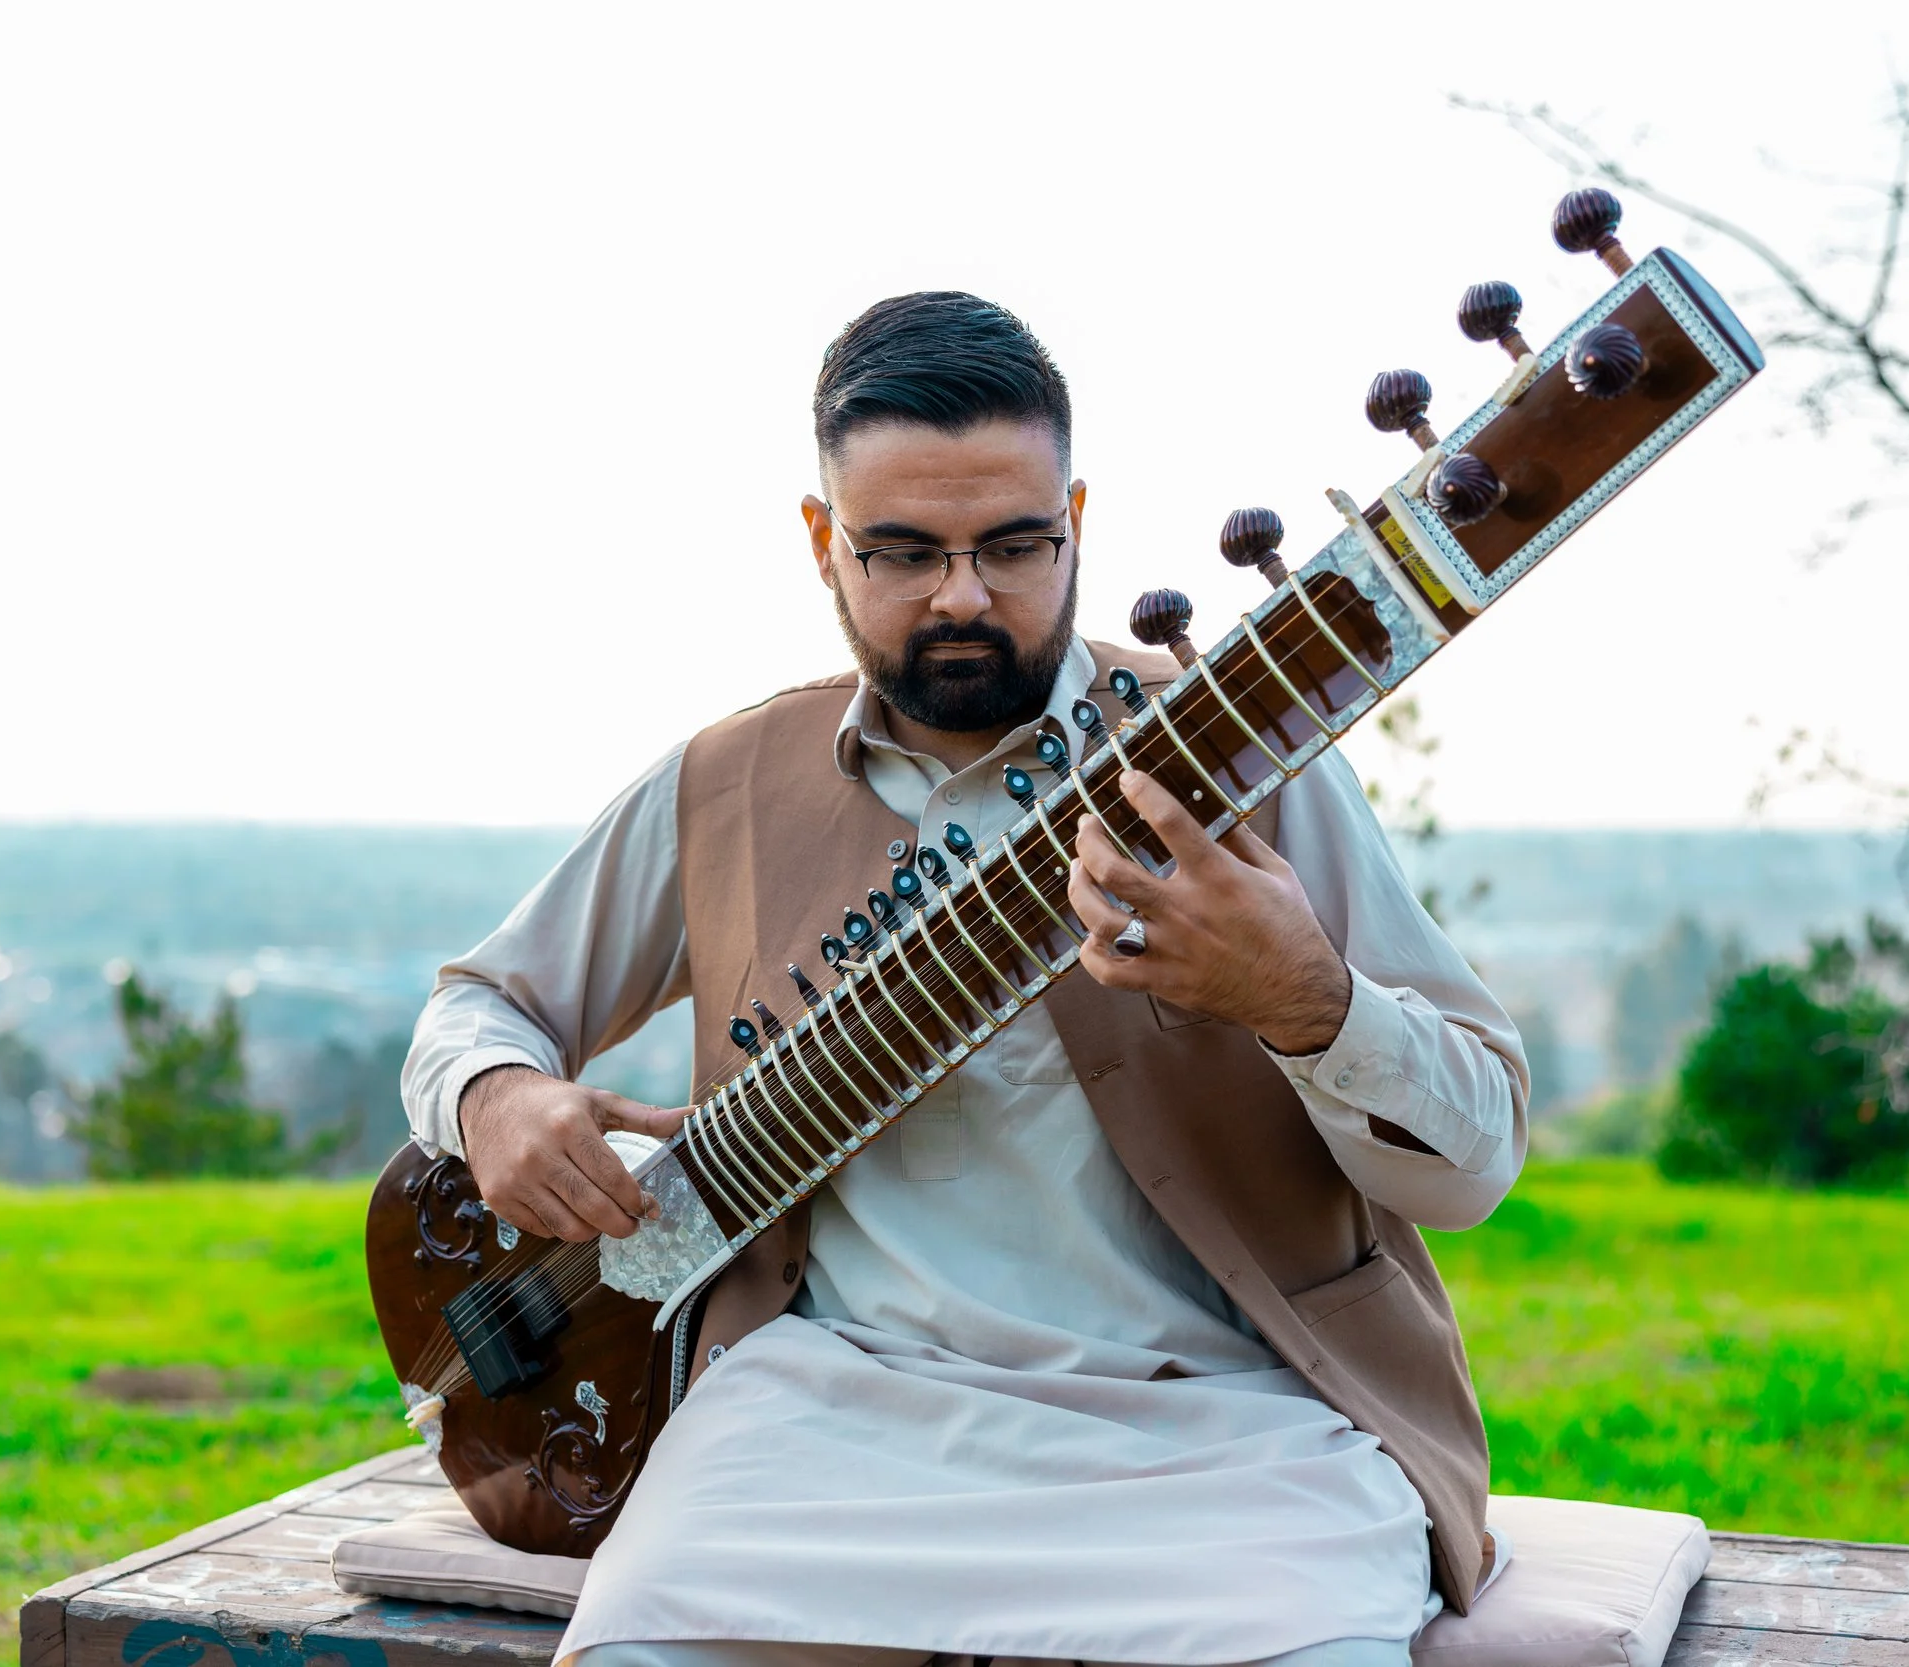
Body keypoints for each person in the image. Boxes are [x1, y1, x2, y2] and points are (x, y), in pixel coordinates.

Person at [399, 292, 1528, 1667]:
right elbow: (474, 1005)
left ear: (1080, 520)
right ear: (824, 543)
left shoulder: (1247, 758)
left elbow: (1474, 1164)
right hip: (827, 1421)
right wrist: (497, 1098)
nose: (964, 595)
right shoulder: (725, 785)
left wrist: (1308, 1002)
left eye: (1014, 544)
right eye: (904, 551)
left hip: (1233, 1436)